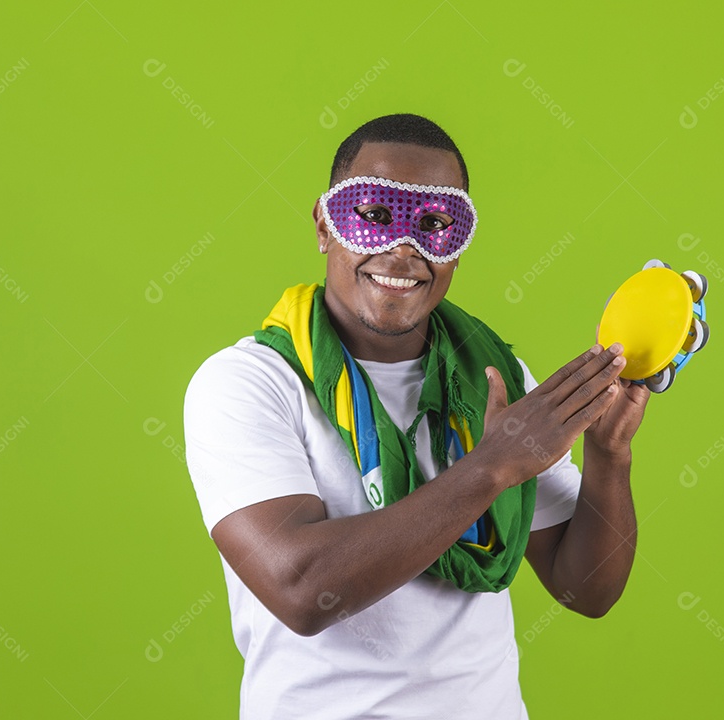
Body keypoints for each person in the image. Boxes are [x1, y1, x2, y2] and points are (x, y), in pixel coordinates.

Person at [182, 112, 650, 719]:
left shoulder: (496, 379)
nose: (403, 249)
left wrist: (610, 457)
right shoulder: (247, 383)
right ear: (325, 226)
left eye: (435, 226)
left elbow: (584, 589)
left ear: (459, 247)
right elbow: (301, 590)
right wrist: (492, 466)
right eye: (374, 216)